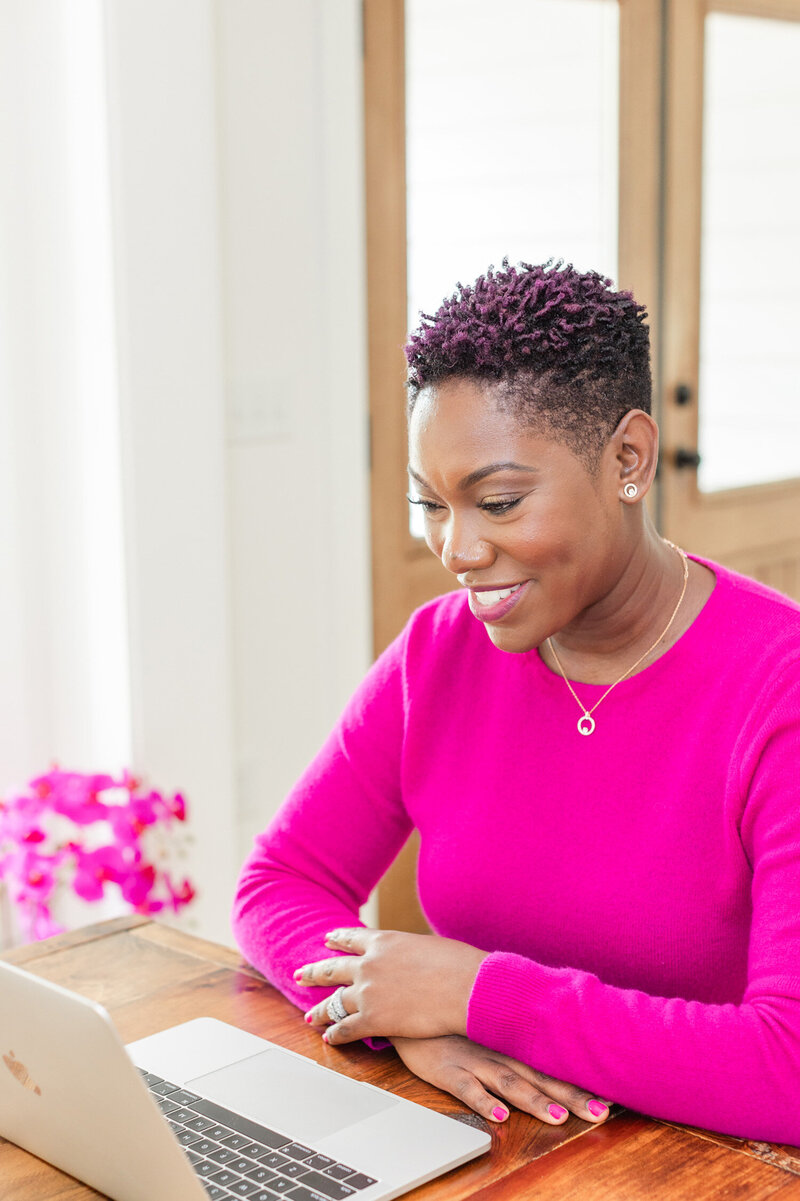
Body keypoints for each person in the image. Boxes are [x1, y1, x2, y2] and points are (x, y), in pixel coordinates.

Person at [232, 261, 800, 1145]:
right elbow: (282, 883)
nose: (456, 549)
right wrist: (400, 1016)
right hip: (492, 1151)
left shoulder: (778, 688)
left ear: (628, 459)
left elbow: (788, 1068)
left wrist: (476, 993)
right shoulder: (437, 652)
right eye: (431, 504)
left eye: (498, 501)